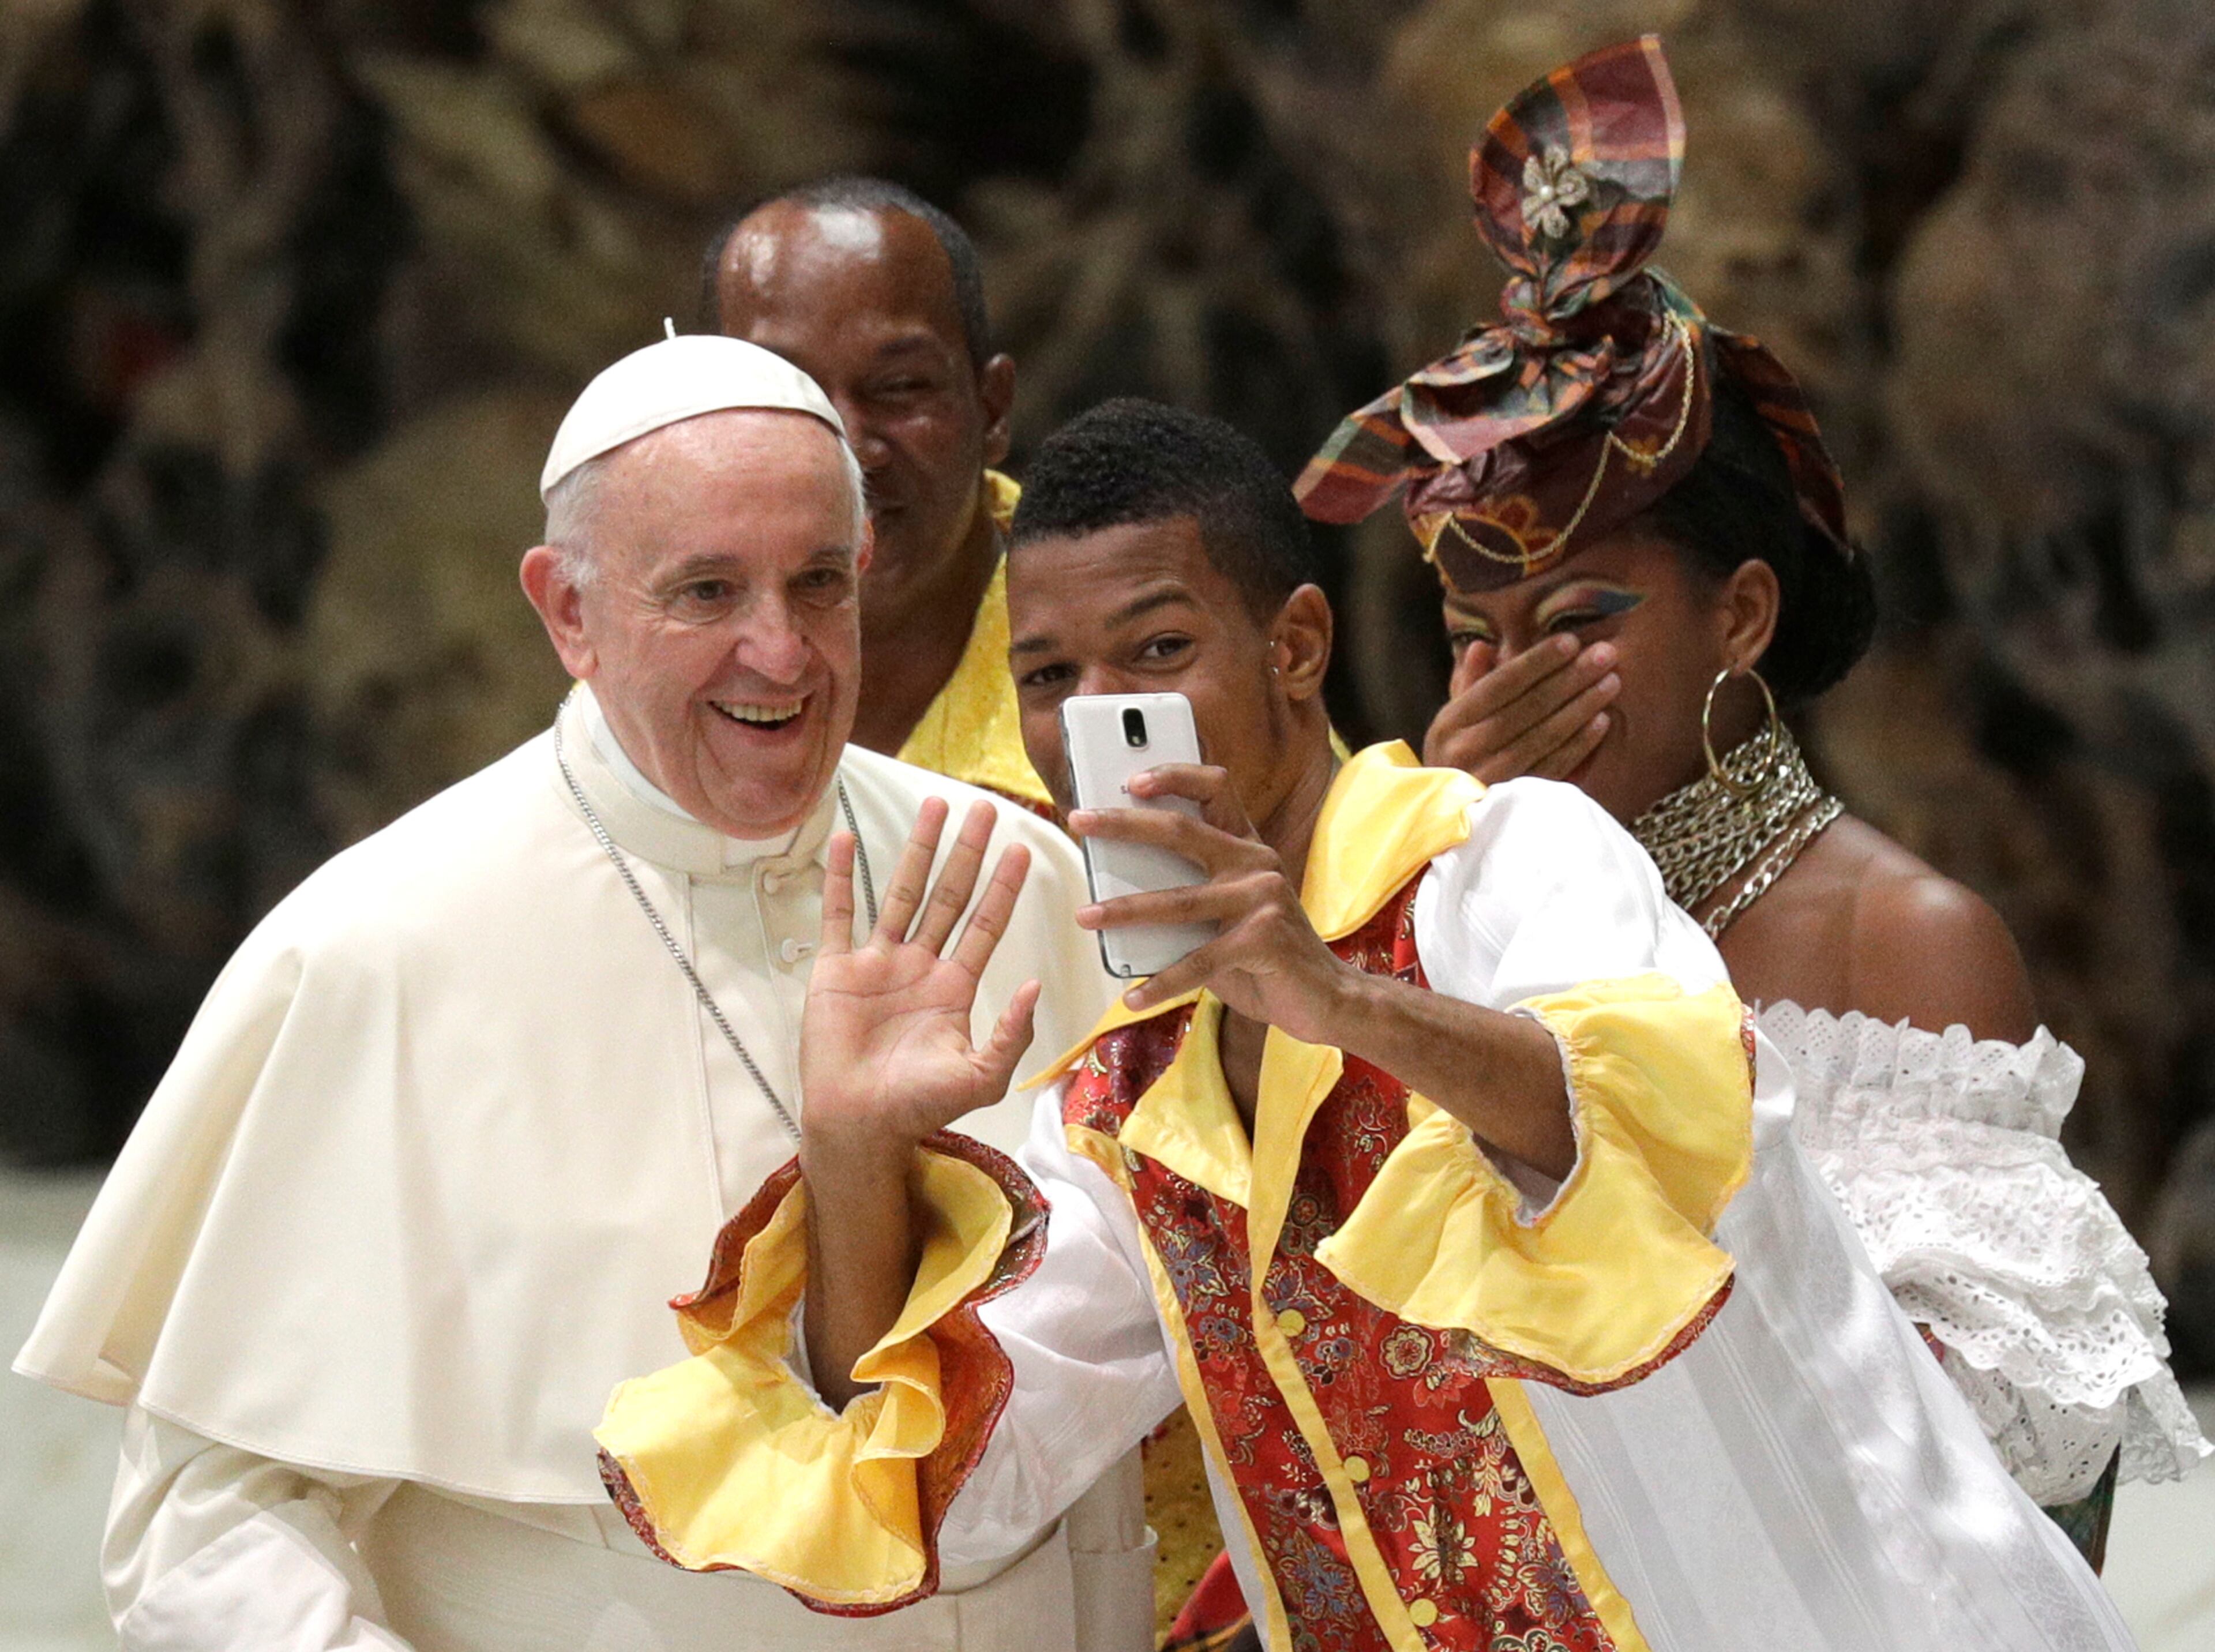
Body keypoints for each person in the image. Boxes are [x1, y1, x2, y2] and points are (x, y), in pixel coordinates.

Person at [595, 393, 2139, 1651]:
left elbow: (1660, 1143)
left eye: (1157, 651)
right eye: (1052, 678)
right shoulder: (1135, 1099)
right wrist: (856, 1147)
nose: (1101, 720)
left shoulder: (1513, 857)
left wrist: (1335, 998)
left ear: (1294, 652)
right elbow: (951, 1473)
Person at [12, 335, 1154, 1650]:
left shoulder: (1015, 875)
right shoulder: (377, 950)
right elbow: (206, 1530)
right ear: (568, 611)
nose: (777, 655)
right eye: (708, 592)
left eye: (817, 584)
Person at [1294, 35, 2209, 1564]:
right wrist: (1422, 893)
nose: (1522, 676)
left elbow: (2006, 1497)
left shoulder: (1899, 945)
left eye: (1584, 618)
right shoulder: (1424, 911)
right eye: (1477, 635)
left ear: (1741, 619)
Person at [705, 177, 1049, 812]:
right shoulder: (645, 658)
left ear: (993, 410)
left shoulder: (1143, 666)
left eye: (898, 386)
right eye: (785, 389)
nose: (848, 452)